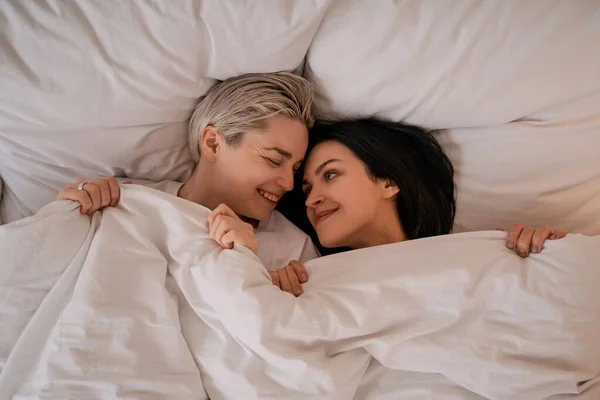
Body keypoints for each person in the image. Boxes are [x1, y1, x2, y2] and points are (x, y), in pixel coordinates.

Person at [232, 118, 568, 294]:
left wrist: (548, 256)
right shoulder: (311, 277)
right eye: (306, 189)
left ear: (389, 182)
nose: (311, 199)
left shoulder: (475, 254)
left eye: (330, 175)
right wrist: (277, 291)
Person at [57, 72, 319, 296]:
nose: (288, 183)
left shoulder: (295, 252)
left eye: (295, 169)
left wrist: (262, 286)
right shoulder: (126, 200)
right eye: (274, 160)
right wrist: (72, 214)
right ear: (213, 143)